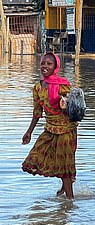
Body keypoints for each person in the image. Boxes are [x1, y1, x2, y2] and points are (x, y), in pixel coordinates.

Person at [22, 52, 78, 199]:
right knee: (33, 159)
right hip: (50, 129)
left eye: (49, 64)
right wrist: (29, 132)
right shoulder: (38, 87)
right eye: (43, 63)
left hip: (66, 130)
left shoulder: (63, 85)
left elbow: (75, 106)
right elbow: (37, 112)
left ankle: (70, 202)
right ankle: (65, 190)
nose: (45, 66)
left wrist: (64, 103)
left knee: (64, 166)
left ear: (55, 67)